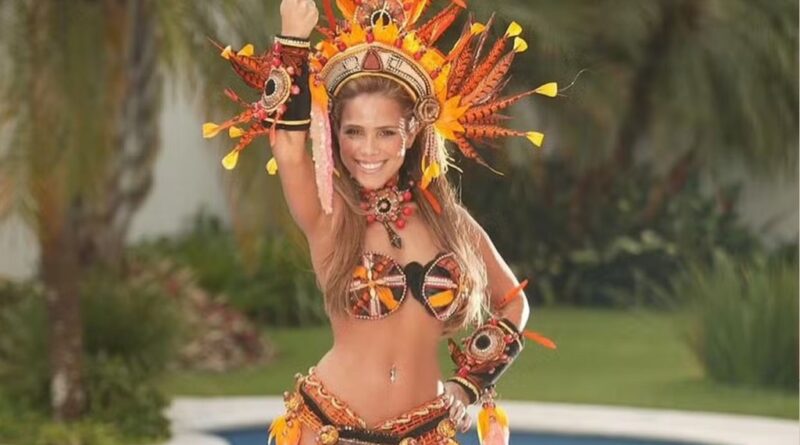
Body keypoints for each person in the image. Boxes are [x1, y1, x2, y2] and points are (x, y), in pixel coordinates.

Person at [204, 1, 558, 444]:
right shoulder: (329, 212)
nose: (367, 150)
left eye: (386, 132)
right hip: (329, 428)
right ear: (336, 134)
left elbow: (513, 303)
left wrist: (468, 384)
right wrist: (292, 37)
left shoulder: (450, 222)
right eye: (353, 131)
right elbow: (289, 149)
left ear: (412, 133)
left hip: (425, 432)